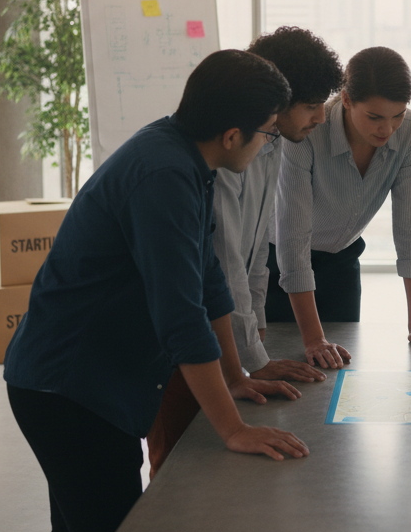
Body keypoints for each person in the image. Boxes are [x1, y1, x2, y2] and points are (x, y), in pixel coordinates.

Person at [3, 49, 310, 532]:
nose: (269, 146)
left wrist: (235, 375)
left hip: (87, 381)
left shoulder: (190, 156)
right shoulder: (164, 175)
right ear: (233, 134)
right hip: (69, 389)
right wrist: (231, 429)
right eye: (267, 134)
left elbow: (208, 277)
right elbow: (180, 316)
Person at [145, 26, 345, 480]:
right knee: (177, 473)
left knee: (212, 472)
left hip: (210, 340)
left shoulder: (269, 144)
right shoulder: (211, 158)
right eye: (312, 107)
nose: (320, 118)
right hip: (176, 349)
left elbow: (254, 257)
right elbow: (219, 270)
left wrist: (250, 355)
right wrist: (245, 364)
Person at [267, 46, 411, 367]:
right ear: (345, 100)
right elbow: (293, 235)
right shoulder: (306, 132)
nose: (387, 129)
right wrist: (314, 338)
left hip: (342, 262)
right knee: (287, 371)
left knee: (340, 374)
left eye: (397, 115)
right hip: (278, 265)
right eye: (374, 117)